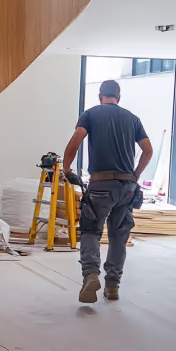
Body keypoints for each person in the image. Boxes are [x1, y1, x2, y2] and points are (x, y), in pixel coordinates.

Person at [63, 80, 153, 303]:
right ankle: (113, 287)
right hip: (127, 188)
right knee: (118, 237)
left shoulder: (91, 114)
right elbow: (147, 150)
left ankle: (91, 274)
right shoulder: (132, 119)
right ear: (118, 97)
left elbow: (76, 141)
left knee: (92, 231)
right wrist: (136, 174)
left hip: (101, 186)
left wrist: (66, 169)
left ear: (100, 96)